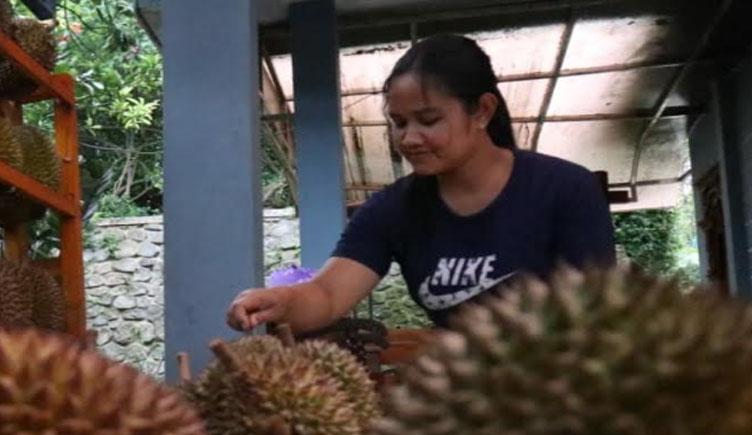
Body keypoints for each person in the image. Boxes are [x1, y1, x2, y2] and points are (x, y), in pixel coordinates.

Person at [227, 34, 616, 333]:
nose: (409, 138)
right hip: (458, 398)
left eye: (428, 120)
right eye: (399, 123)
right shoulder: (391, 211)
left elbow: (595, 318)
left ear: (482, 111)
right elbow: (327, 294)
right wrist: (282, 301)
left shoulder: (565, 190)